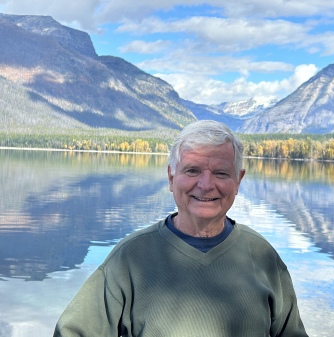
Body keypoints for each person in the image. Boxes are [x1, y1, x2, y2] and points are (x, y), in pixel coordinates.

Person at [53, 120, 309, 337]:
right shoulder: (130, 258)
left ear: (238, 180)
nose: (206, 185)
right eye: (192, 170)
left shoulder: (263, 258)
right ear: (171, 177)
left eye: (221, 173)